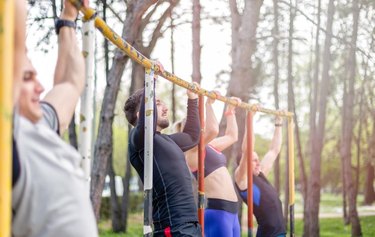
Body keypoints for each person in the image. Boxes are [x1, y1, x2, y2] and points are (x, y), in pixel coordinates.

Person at [12, 0, 98, 236]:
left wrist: (68, 17)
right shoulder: (9, 137)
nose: (40, 88)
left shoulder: (38, 124)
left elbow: (70, 83)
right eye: (28, 77)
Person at [124, 79, 202, 236]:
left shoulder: (168, 141)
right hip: (172, 226)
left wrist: (192, 99)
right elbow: (146, 121)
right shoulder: (138, 140)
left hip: (190, 224)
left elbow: (192, 136)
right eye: (158, 103)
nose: (166, 108)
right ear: (142, 114)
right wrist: (150, 79)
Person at [177, 93, 242, 237]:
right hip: (218, 212)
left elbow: (232, 136)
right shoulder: (192, 152)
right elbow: (213, 130)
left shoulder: (209, 146)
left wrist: (230, 111)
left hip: (232, 212)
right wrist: (208, 104)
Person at [234, 112, 286, 237]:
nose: (258, 162)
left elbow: (274, 150)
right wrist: (250, 119)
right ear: (245, 163)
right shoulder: (242, 179)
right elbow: (247, 148)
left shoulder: (260, 174)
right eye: (254, 160)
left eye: (258, 159)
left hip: (280, 233)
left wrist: (278, 124)